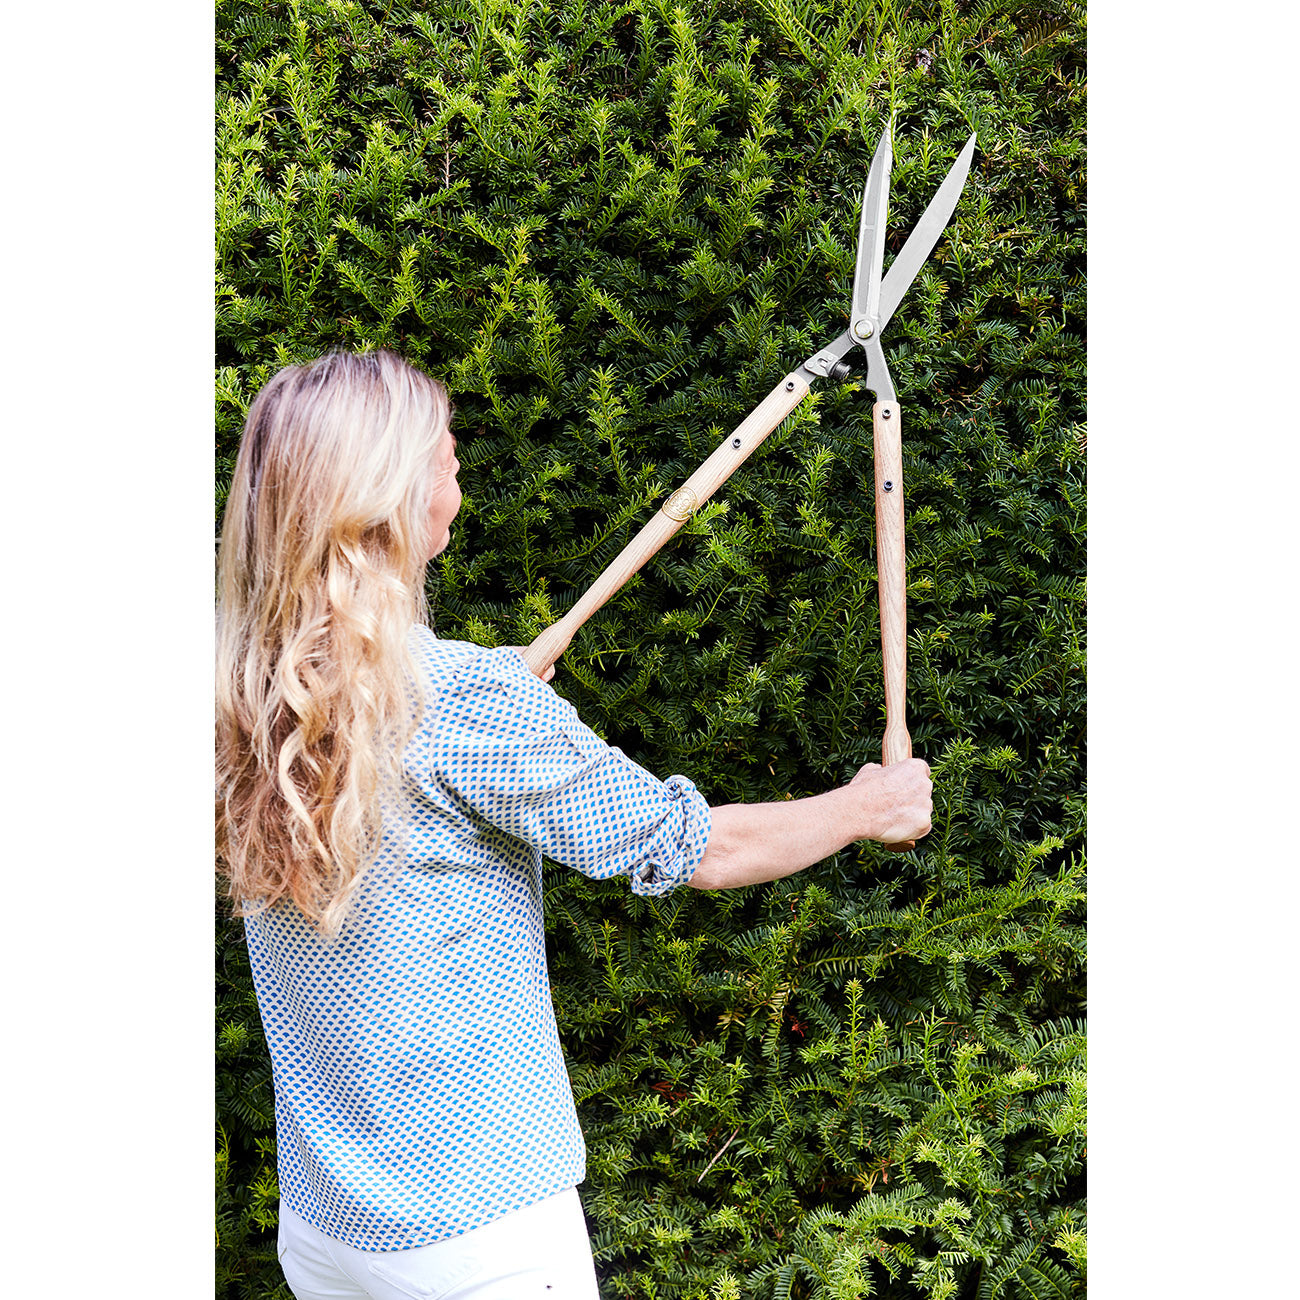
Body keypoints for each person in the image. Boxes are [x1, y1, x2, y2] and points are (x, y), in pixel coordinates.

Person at [216, 349, 933, 1300]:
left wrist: (504, 699)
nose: (454, 456)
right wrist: (866, 806)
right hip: (481, 1238)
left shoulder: (248, 696)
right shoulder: (464, 703)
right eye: (438, 448)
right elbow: (697, 849)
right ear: (385, 496)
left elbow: (412, 756)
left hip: (329, 1233)